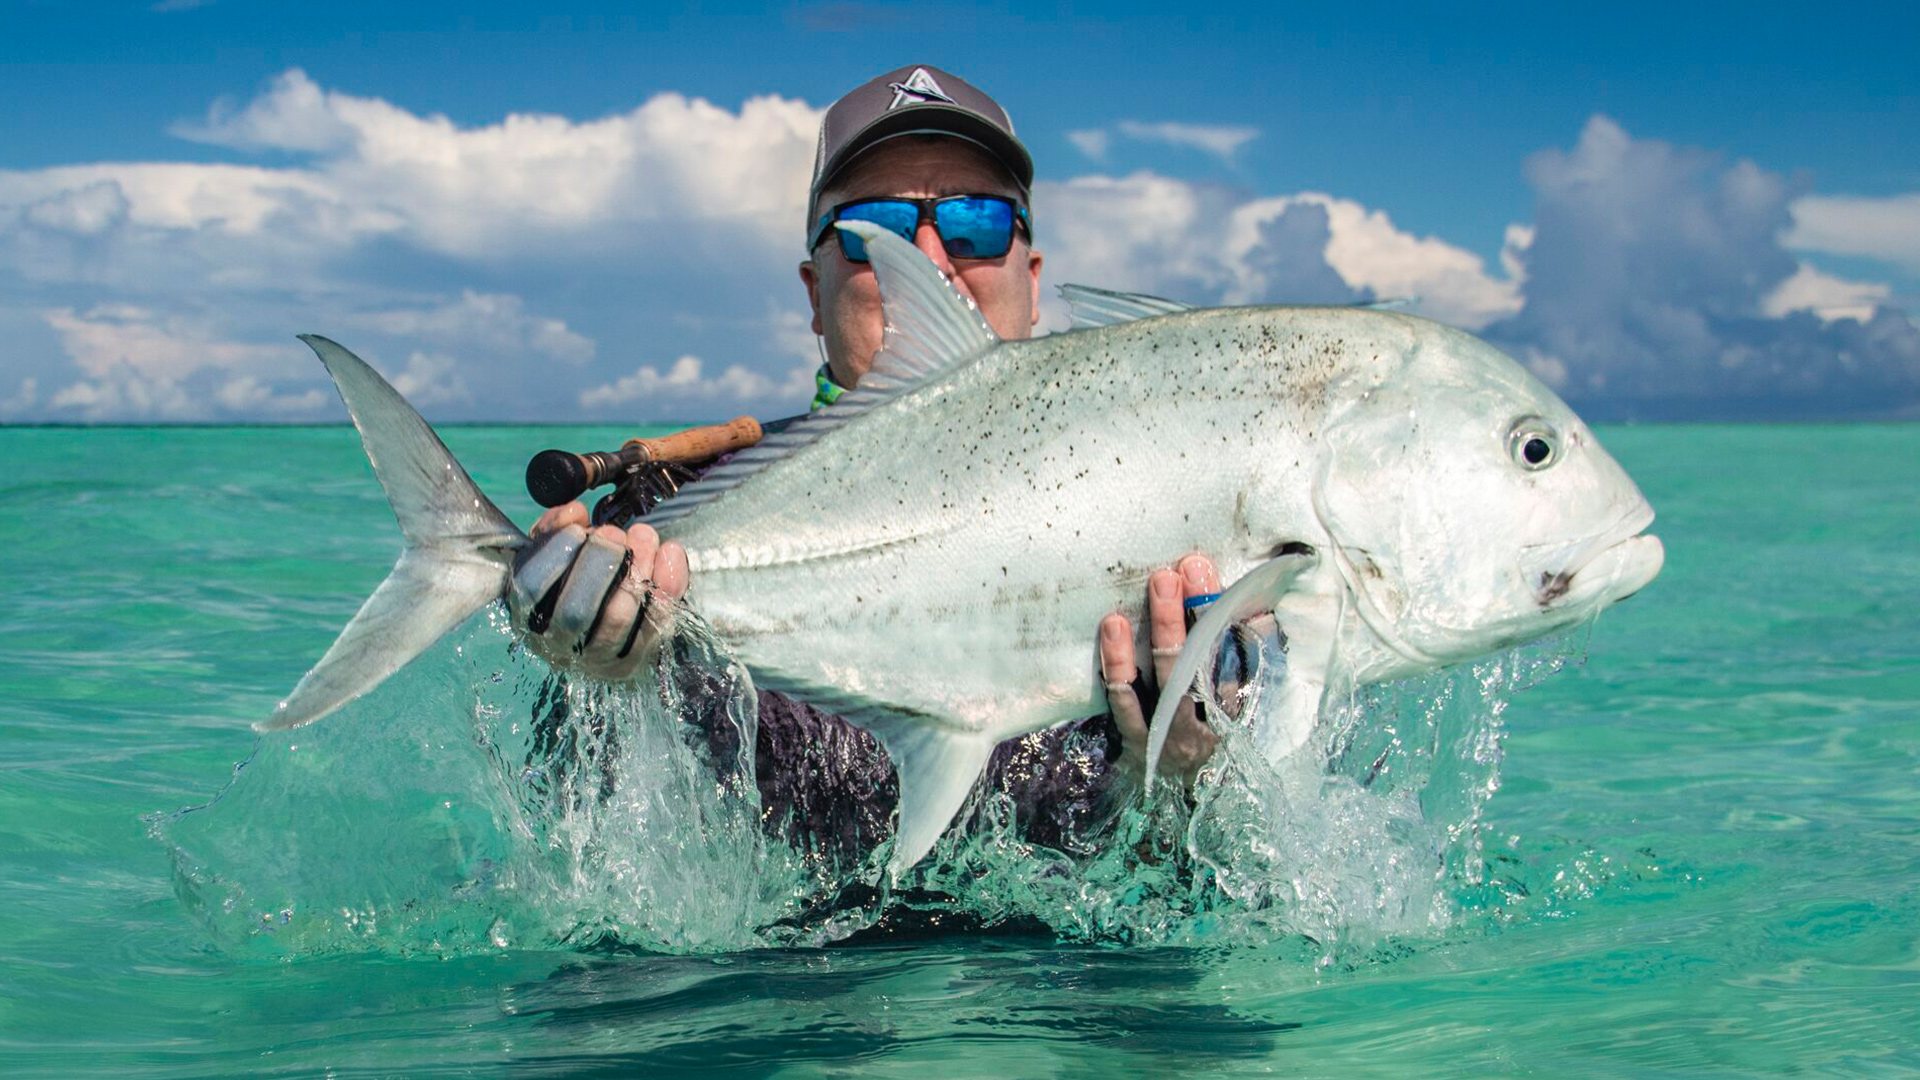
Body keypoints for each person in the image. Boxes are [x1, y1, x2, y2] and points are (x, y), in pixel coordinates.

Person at [513, 65, 1221, 867]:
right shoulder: (660, 513)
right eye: (872, 226)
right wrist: (591, 673)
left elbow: (1221, 889)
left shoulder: (1164, 516)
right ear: (815, 294)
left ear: (1032, 278)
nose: (928, 258)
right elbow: (572, 840)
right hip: (775, 983)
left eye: (976, 224)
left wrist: (1184, 777)